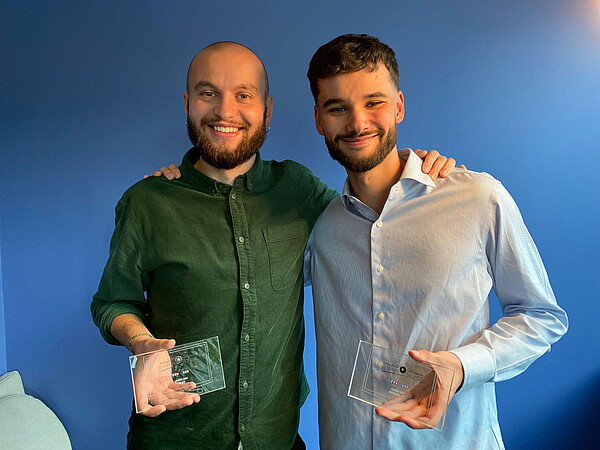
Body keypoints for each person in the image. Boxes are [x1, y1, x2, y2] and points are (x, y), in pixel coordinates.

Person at [91, 41, 456, 449]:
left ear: (266, 110)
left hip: (278, 439)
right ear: (188, 103)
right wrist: (141, 343)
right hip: (173, 439)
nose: (225, 112)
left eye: (243, 95)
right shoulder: (148, 202)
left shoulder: (298, 190)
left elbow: (370, 208)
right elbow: (112, 302)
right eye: (207, 93)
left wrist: (414, 166)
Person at [304, 34, 568, 449]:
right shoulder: (319, 226)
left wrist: (462, 366)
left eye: (374, 102)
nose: (357, 123)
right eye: (338, 108)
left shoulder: (477, 197)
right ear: (319, 119)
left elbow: (541, 317)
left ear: (399, 106)